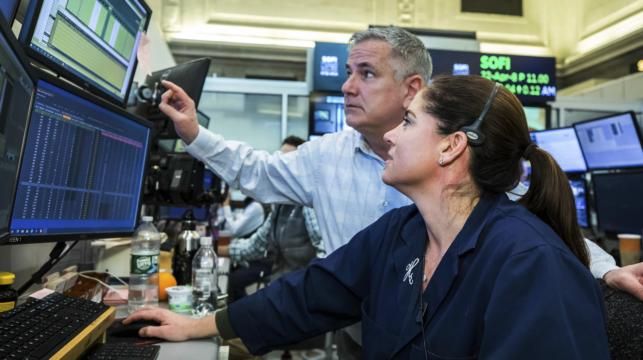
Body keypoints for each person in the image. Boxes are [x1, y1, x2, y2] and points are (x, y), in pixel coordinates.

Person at [151, 25, 642, 354]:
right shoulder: (400, 231)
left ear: (451, 147)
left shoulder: (527, 260)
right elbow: (311, 294)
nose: (390, 137)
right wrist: (201, 326)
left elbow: (550, 240)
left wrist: (604, 272)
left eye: (408, 122)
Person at [220, 136, 325, 301]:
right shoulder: (280, 205)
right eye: (280, 161)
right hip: (281, 287)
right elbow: (255, 245)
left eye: (289, 162)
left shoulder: (308, 206)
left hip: (300, 294)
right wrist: (214, 250)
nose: (282, 168)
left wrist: (314, 290)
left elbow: (325, 252)